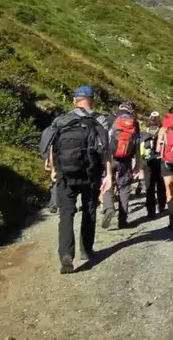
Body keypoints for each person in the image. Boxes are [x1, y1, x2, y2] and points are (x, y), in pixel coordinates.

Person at [46, 86, 112, 274]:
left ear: (75, 100)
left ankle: (66, 255)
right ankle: (86, 250)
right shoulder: (100, 120)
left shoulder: (62, 120)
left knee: (66, 214)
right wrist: (108, 176)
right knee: (89, 210)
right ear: (92, 100)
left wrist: (53, 169)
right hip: (91, 173)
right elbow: (105, 151)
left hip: (66, 174)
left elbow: (52, 145)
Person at [102, 100, 140, 230]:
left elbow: (103, 140)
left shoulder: (110, 118)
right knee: (124, 188)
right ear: (131, 110)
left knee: (108, 182)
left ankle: (109, 207)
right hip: (126, 160)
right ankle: (122, 220)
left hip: (110, 158)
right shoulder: (134, 122)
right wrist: (138, 164)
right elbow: (137, 145)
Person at [140, 111, 166, 219]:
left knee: (149, 187)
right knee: (161, 184)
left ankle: (151, 212)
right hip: (161, 160)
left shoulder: (144, 132)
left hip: (147, 162)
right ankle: (161, 206)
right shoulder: (163, 131)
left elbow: (141, 150)